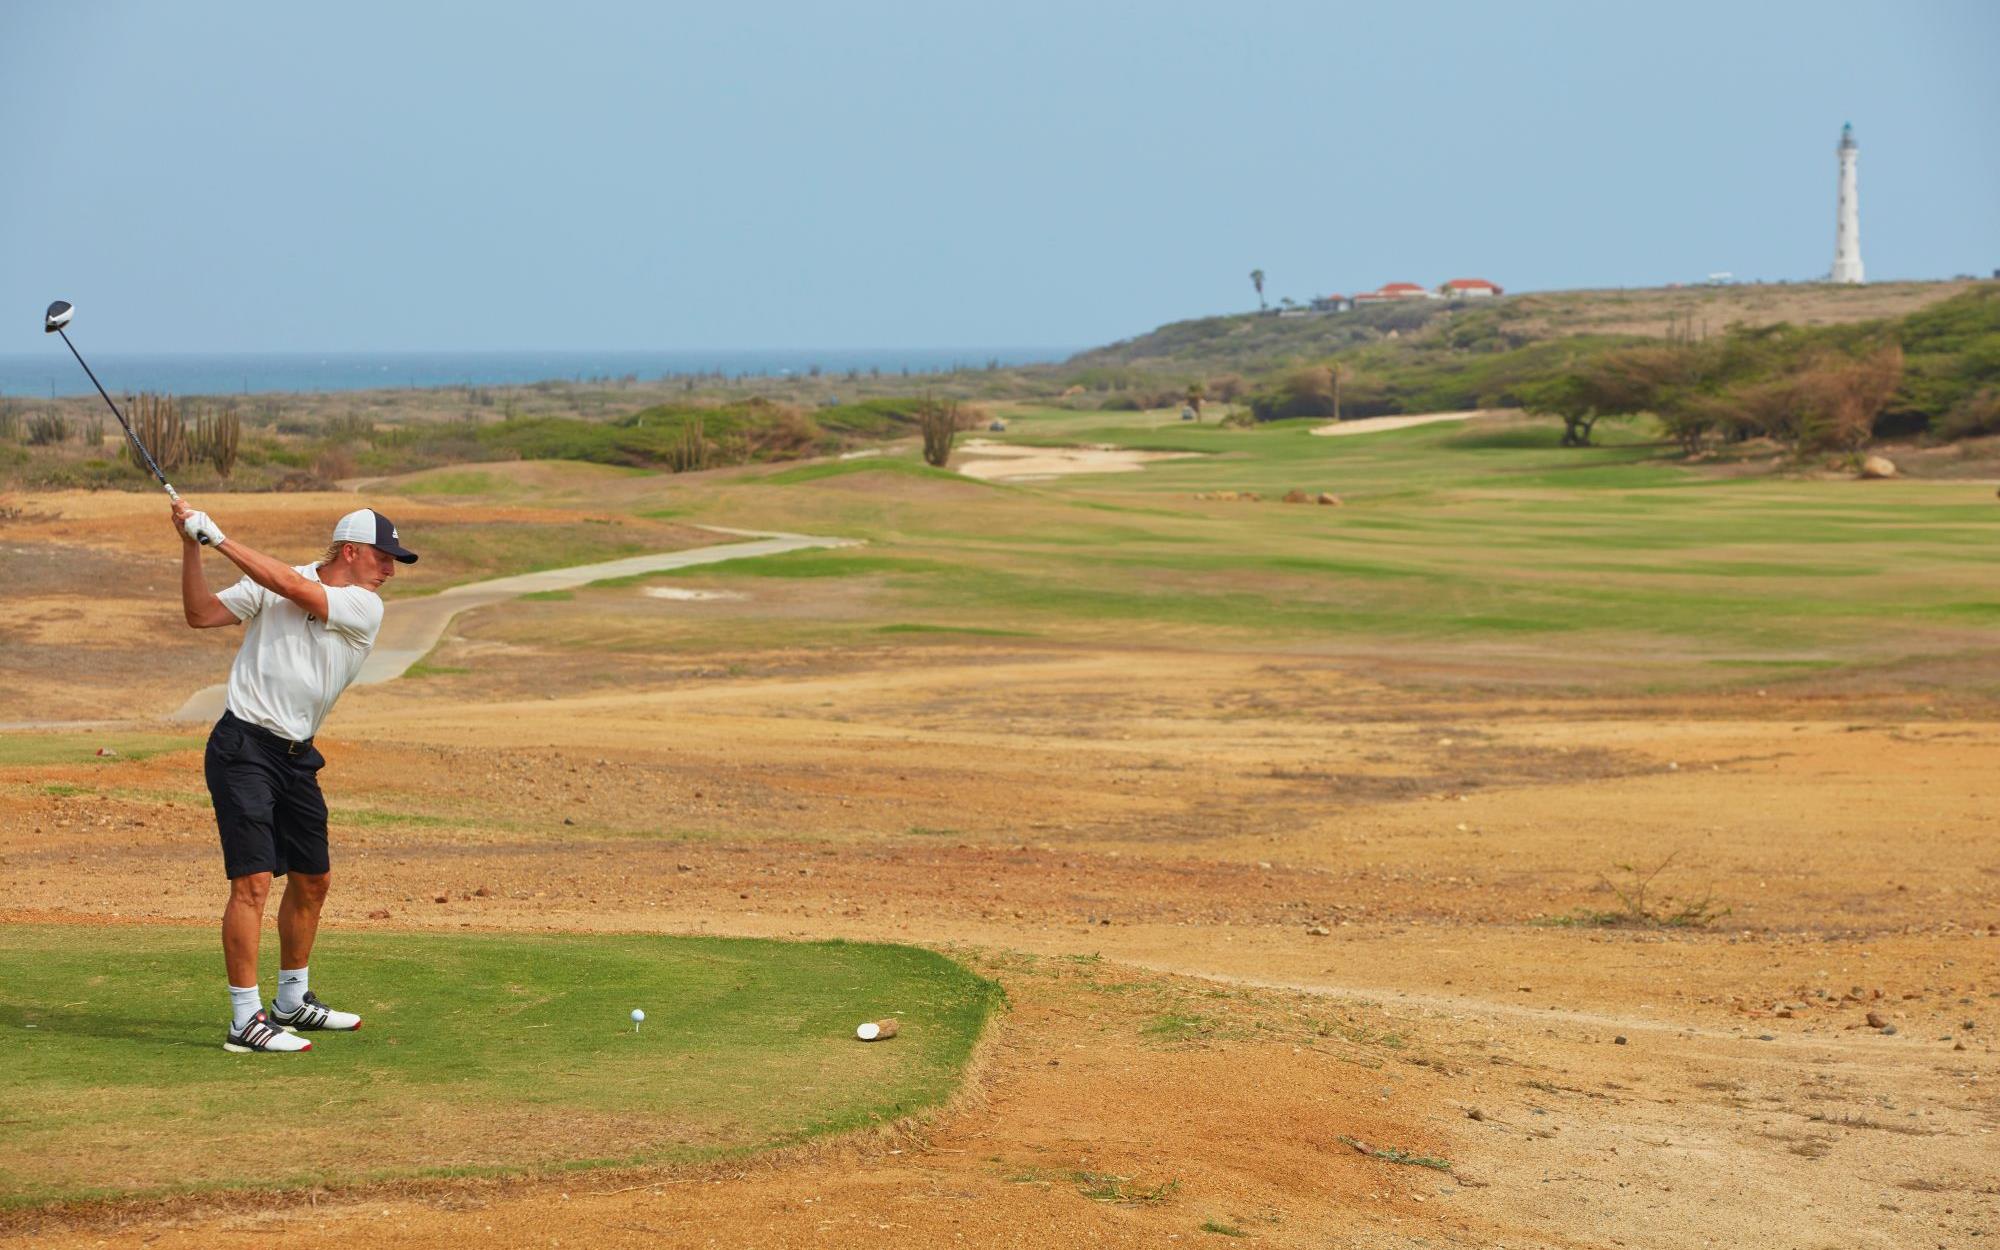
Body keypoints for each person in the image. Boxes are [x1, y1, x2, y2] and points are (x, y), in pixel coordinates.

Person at [173, 499, 418, 1053]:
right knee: (253, 882)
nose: (390, 570)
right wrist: (193, 546)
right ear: (350, 552)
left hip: (296, 755)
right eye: (383, 557)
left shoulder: (362, 606)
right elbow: (200, 614)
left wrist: (220, 538)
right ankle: (245, 1019)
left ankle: (291, 1001)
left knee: (313, 880)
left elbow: (290, 585)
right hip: (243, 747)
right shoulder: (275, 582)